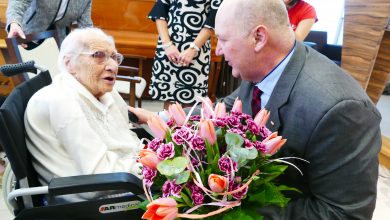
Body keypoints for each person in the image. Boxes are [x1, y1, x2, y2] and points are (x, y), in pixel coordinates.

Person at [130, 0, 382, 219]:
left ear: (259, 38)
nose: (217, 50)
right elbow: (228, 107)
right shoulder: (263, 65)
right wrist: (160, 118)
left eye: (224, 40)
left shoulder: (341, 110)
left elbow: (342, 214)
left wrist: (225, 210)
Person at [24, 27, 141, 201]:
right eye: (98, 55)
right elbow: (101, 176)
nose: (113, 66)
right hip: (92, 201)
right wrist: (157, 165)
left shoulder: (103, 90)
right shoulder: (61, 101)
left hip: (124, 177)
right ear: (69, 64)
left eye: (115, 57)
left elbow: (125, 136)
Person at [147, 0, 222, 109]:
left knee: (192, 103)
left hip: (198, 51)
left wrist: (194, 48)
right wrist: (167, 44)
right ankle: (166, 126)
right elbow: (160, 11)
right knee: (169, 99)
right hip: (168, 47)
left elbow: (215, 17)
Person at [6, 0, 92, 44]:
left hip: (59, 41)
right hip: (27, 36)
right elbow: (18, 3)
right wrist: (14, 23)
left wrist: (95, 43)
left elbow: (86, 25)